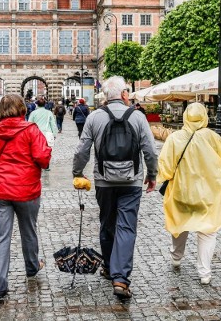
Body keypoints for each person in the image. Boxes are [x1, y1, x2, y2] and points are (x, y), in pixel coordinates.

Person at [72, 76, 158, 300]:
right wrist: (152, 174)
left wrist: (77, 172)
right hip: (131, 182)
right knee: (126, 227)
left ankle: (109, 266)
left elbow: (82, 150)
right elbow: (149, 149)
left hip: (104, 182)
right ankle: (121, 279)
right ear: (123, 94)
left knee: (107, 222)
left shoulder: (94, 117)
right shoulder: (138, 117)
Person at [157, 102, 221, 285]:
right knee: (207, 231)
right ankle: (204, 272)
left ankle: (176, 256)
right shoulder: (214, 138)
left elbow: (165, 166)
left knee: (180, 224)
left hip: (182, 191)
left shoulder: (175, 138)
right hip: (208, 194)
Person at [0, 94, 51, 301]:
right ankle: (31, 266)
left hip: (0, 191)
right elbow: (43, 159)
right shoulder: (31, 130)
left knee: (0, 236)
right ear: (22, 108)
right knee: (29, 230)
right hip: (27, 190)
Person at [28, 97, 57, 170]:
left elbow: (29, 123)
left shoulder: (33, 113)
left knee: (35, 148)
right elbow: (53, 124)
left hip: (36, 133)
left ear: (37, 104)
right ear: (45, 105)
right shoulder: (49, 113)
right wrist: (54, 134)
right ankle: (46, 165)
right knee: (47, 149)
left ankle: (37, 164)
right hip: (47, 133)